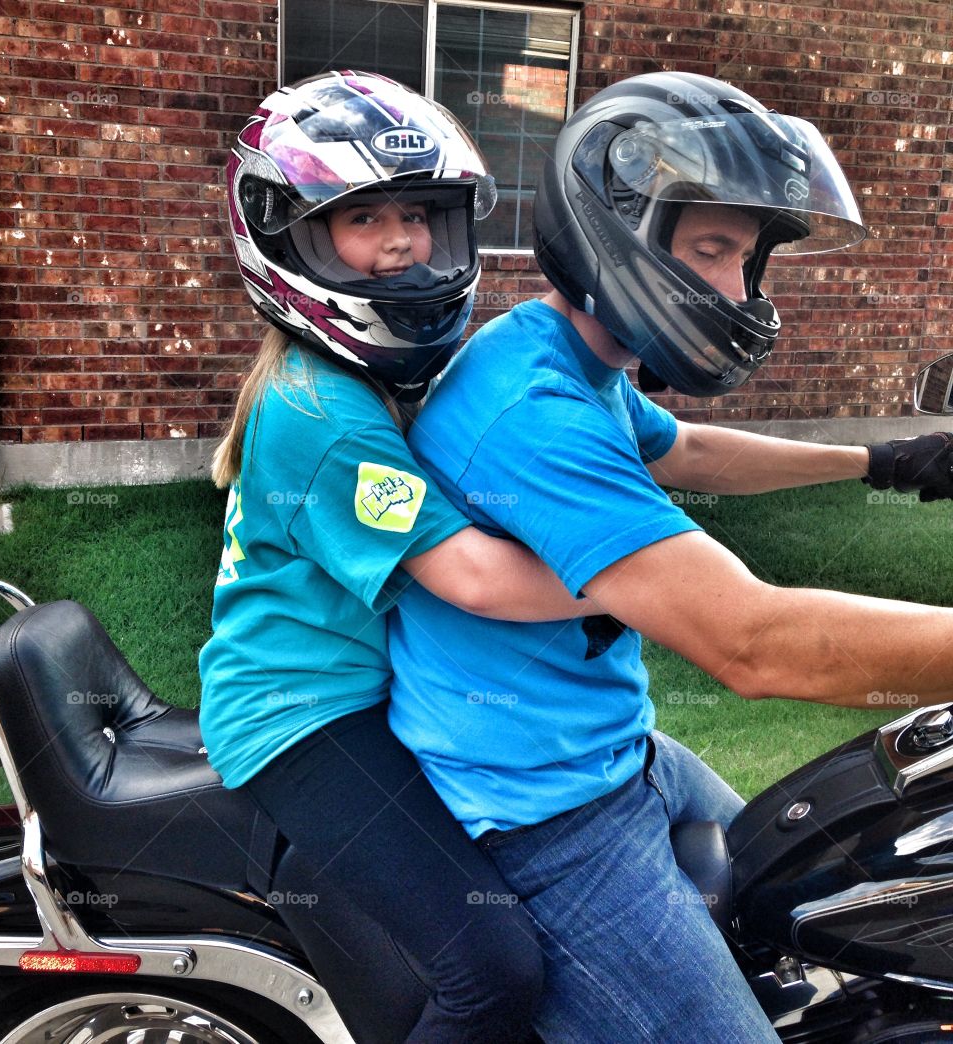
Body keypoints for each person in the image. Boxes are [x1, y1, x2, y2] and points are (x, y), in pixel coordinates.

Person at [387, 71, 953, 1043]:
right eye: (712, 251)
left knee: (820, 925)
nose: (739, 290)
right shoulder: (533, 414)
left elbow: (683, 450)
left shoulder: (564, 351)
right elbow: (755, 643)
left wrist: (884, 460)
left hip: (621, 752)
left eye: (747, 257)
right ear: (617, 233)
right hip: (542, 814)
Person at [198, 71, 593, 1044]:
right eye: (363, 218)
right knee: (487, 965)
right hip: (301, 717)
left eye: (418, 213)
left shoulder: (363, 378)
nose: (404, 241)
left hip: (374, 689)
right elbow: (472, 578)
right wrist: (629, 583)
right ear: (288, 238)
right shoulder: (322, 414)